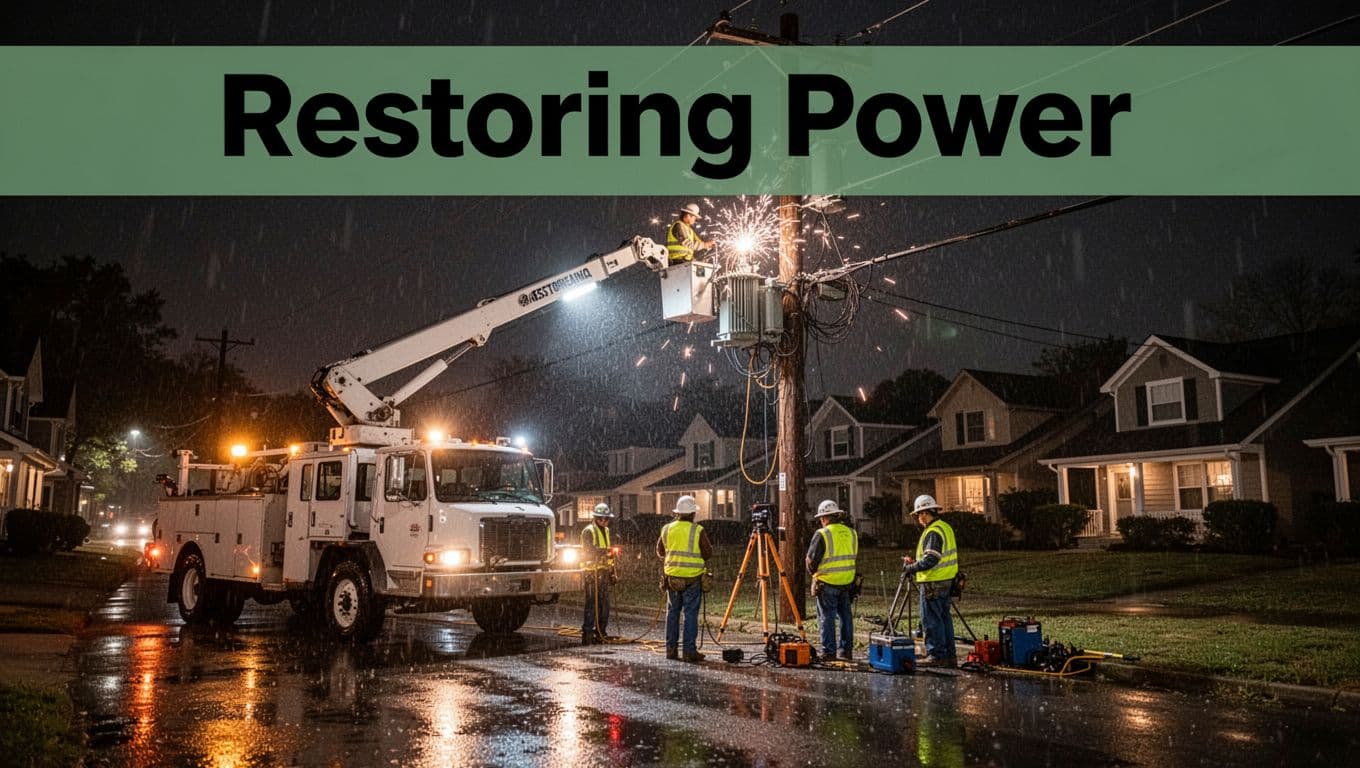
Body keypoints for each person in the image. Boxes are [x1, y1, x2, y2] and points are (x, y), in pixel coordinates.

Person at [903, 494, 959, 667]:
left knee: (931, 621)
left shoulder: (933, 531)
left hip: (932, 583)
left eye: (919, 515)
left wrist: (911, 567)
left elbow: (931, 559)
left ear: (925, 513)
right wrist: (916, 562)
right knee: (944, 619)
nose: (918, 519)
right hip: (946, 581)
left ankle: (936, 655)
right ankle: (949, 655)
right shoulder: (945, 527)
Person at [656, 495, 712, 661]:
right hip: (692, 579)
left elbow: (660, 551)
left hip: (672, 579)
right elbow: (708, 553)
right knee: (690, 615)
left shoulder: (667, 529)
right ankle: (689, 652)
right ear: (693, 513)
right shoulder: (697, 530)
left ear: (677, 513)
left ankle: (671, 650)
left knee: (672, 614)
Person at [805, 499, 859, 661]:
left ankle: (829, 652)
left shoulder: (822, 534)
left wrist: (814, 575)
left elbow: (811, 561)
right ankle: (846, 650)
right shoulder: (852, 533)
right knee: (845, 617)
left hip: (827, 583)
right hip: (847, 582)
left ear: (824, 518)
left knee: (827, 618)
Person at [580, 502, 616, 645]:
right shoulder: (588, 531)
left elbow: (609, 555)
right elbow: (589, 550)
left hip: (603, 572)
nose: (606, 521)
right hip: (591, 572)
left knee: (604, 604)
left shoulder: (606, 531)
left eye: (607, 519)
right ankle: (587, 633)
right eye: (603, 518)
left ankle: (601, 633)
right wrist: (604, 552)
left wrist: (612, 572)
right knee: (591, 604)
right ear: (597, 518)